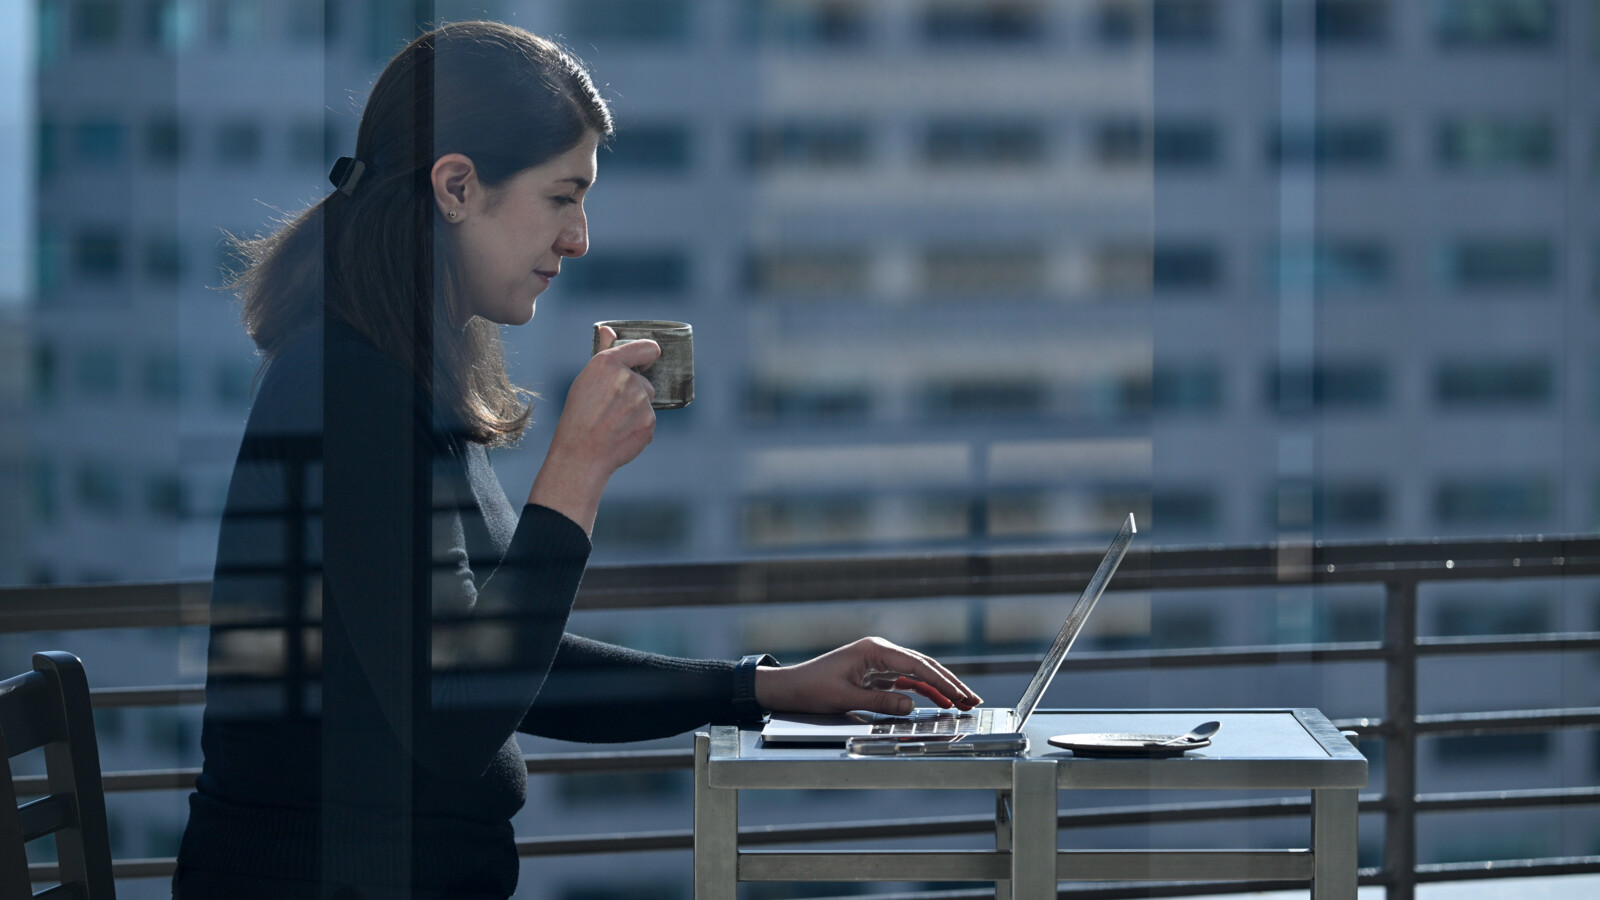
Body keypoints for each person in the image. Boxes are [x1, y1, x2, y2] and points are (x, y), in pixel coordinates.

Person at [172, 21, 980, 900]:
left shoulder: (390, 371)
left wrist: (762, 688)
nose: (580, 237)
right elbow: (455, 716)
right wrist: (575, 476)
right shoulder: (344, 384)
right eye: (563, 197)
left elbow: (503, 667)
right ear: (456, 187)